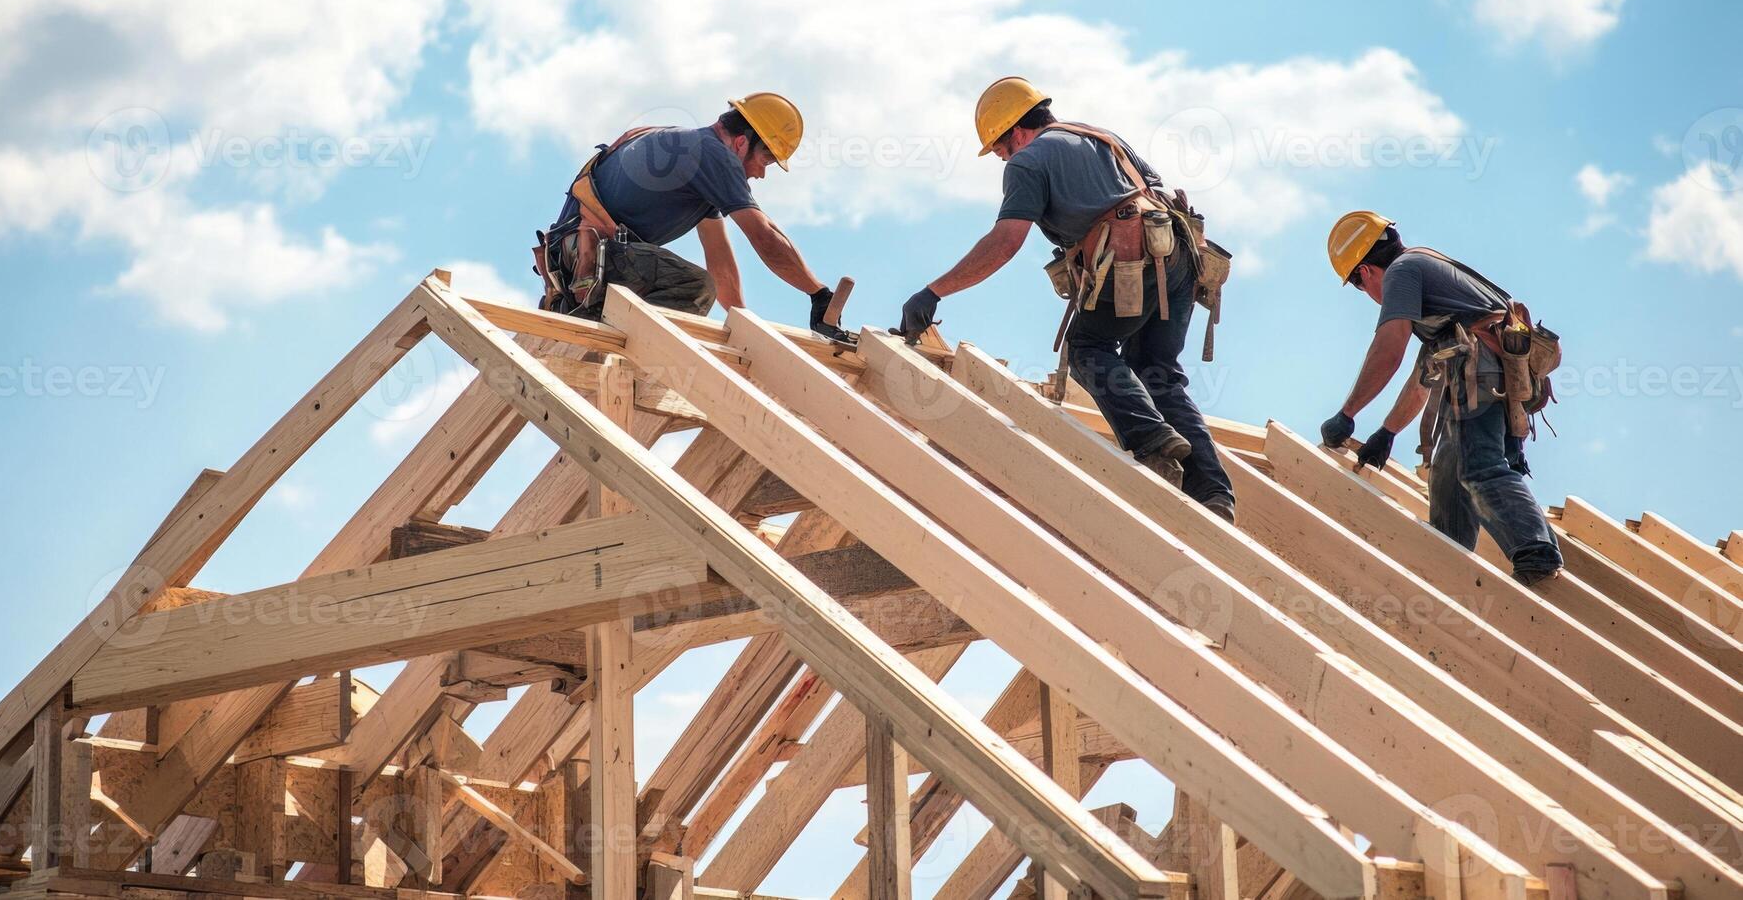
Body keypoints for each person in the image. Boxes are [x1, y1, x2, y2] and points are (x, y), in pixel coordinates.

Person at [894, 77, 1235, 521]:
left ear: (1016, 131)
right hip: (1180, 261)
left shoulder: (1028, 162)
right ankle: (1212, 493)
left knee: (1088, 349)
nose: (1001, 157)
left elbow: (1006, 241)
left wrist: (933, 292)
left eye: (999, 148)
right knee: (1158, 373)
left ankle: (1152, 440)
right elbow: (1159, 195)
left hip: (1131, 262)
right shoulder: (1101, 137)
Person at [1320, 210, 1563, 586]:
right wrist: (1387, 432)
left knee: (1478, 466)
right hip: (1496, 374)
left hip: (1480, 372)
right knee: (1449, 474)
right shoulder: (1428, 270)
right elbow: (1426, 373)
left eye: (1358, 285)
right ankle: (1451, 570)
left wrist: (1347, 414)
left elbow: (1389, 349)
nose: (1366, 295)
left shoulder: (1402, 272)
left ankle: (1536, 551)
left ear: (1365, 272)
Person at [535, 93, 853, 342]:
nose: (761, 173)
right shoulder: (712, 154)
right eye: (766, 159)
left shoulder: (691, 156)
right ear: (742, 142)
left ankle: (594, 316)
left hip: (580, 263)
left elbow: (721, 264)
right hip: (589, 260)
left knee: (702, 284)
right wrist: (818, 294)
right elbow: (764, 237)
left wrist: (743, 326)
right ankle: (622, 348)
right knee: (694, 287)